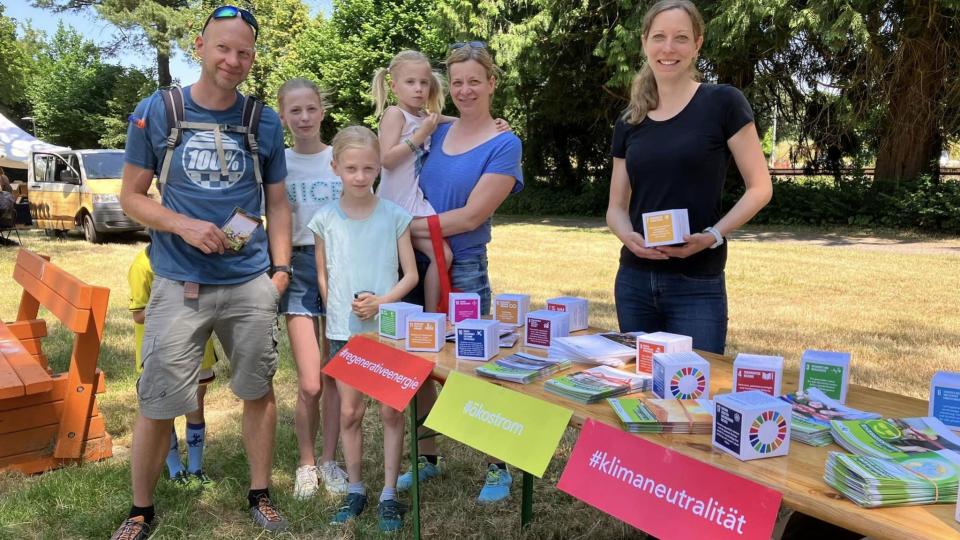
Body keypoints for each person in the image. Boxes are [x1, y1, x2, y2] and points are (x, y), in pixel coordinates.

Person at [113, 6, 292, 539]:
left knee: (257, 391)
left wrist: (279, 271)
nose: (233, 60)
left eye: (244, 52)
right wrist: (185, 226)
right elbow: (130, 198)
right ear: (200, 44)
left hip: (249, 282)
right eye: (223, 48)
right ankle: (141, 509)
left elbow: (278, 204)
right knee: (158, 400)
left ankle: (260, 494)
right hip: (178, 282)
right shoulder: (159, 109)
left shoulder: (263, 120)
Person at [605, 0, 772, 354]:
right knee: (638, 397)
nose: (668, 48)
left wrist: (712, 236)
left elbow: (760, 188)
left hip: (697, 282)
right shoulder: (630, 120)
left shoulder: (724, 103)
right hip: (634, 279)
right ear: (645, 42)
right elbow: (616, 208)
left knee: (693, 396)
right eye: (659, 37)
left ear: (697, 44)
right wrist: (628, 237)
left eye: (681, 38)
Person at [399, 42, 523, 503]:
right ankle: (428, 458)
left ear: (492, 83)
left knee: (473, 365)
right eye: (456, 82)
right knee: (417, 365)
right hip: (415, 262)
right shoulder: (437, 133)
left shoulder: (505, 144)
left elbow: (472, 217)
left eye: (474, 80)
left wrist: (396, 227)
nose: (465, 90)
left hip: (463, 266)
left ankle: (498, 467)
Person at [307, 126, 418, 532]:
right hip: (343, 331)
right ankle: (356, 487)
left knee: (391, 410)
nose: (360, 176)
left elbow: (409, 276)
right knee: (351, 412)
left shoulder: (394, 216)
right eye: (351, 168)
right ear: (335, 167)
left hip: (387, 329)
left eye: (368, 168)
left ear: (378, 169)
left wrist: (381, 302)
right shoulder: (323, 220)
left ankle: (389, 492)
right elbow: (324, 277)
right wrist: (342, 312)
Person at [372, 50, 508, 313]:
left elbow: (463, 121)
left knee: (442, 256)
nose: (419, 89)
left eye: (424, 83)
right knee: (398, 266)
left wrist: (498, 125)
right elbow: (385, 160)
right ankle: (394, 309)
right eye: (410, 83)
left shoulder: (426, 117)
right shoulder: (394, 115)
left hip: (415, 204)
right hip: (395, 202)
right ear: (394, 85)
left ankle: (431, 314)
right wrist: (420, 136)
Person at [275, 77, 349, 499]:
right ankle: (306, 463)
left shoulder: (340, 160)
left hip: (342, 268)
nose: (304, 117)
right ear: (284, 116)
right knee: (310, 383)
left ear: (322, 111)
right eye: (295, 111)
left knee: (336, 376)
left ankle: (331, 460)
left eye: (311, 109)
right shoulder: (278, 162)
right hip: (297, 267)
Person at [128, 243, 219, 487]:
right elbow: (137, 315)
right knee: (164, 414)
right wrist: (173, 302)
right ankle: (175, 469)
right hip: (161, 353)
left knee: (196, 408)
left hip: (198, 349)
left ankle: (196, 468)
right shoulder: (142, 265)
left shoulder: (194, 257)